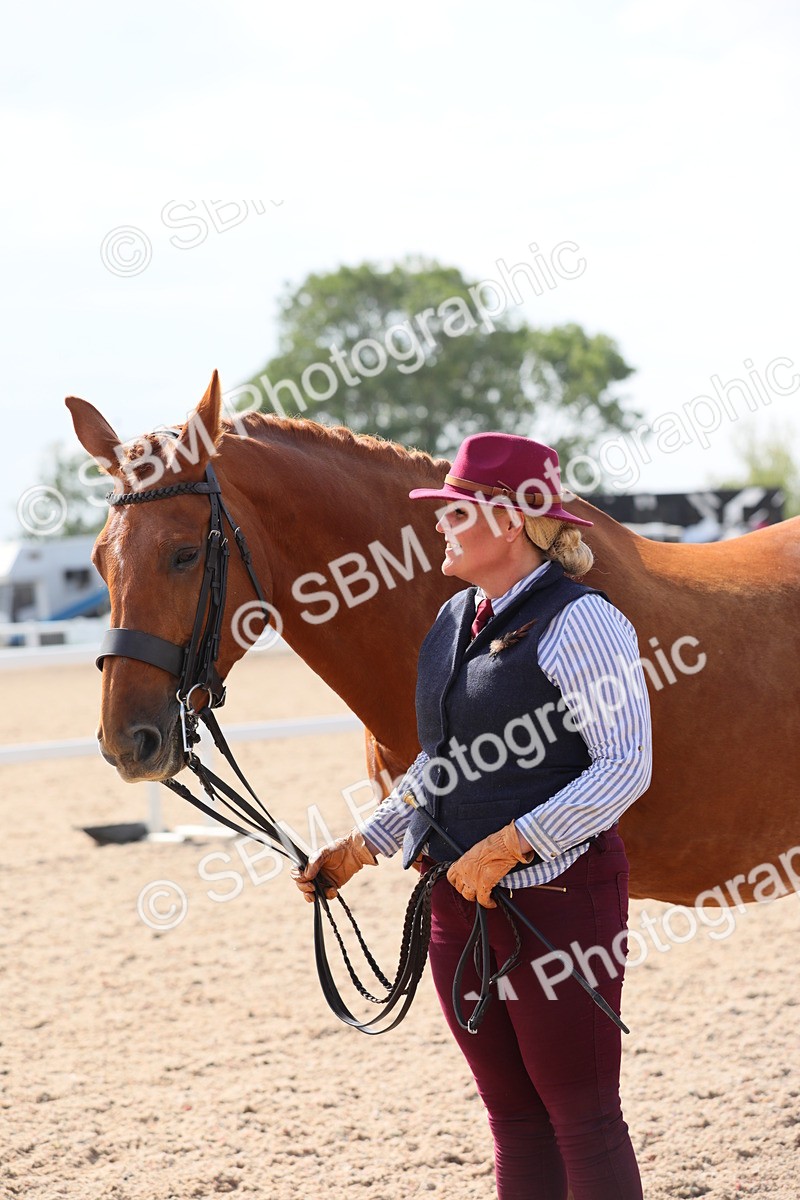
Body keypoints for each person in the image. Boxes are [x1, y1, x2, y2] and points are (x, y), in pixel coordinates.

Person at [294, 432, 652, 1200]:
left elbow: (626, 765)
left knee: (583, 1118)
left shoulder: (584, 622)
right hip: (455, 902)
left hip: (558, 901)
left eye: (457, 511)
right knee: (513, 1119)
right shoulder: (454, 619)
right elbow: (444, 761)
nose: (440, 523)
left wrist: (514, 844)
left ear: (513, 520)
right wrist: (363, 846)